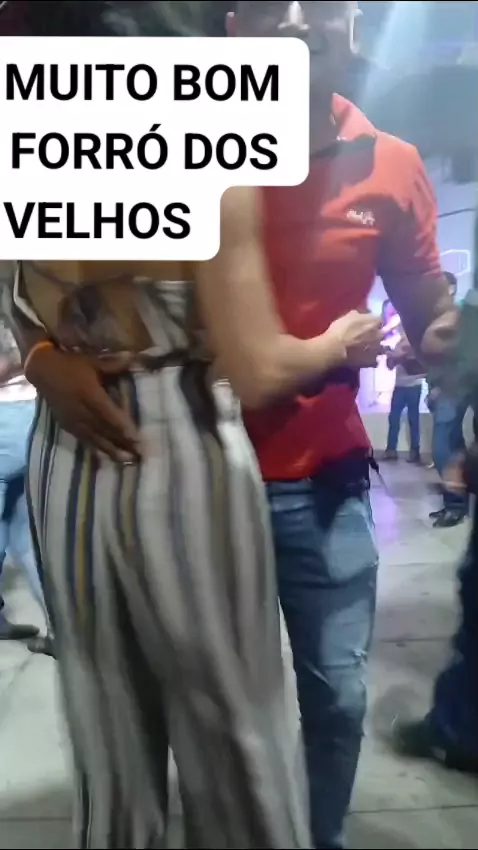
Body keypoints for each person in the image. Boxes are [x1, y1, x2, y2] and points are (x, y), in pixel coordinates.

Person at [4, 3, 391, 848]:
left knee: (106, 734)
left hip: (67, 463)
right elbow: (255, 368)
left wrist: (39, 354)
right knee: (236, 739)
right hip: (180, 447)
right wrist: (338, 341)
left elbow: (16, 309)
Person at [228, 3, 457, 848]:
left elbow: (428, 311)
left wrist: (452, 337)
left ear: (353, 23)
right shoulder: (178, 146)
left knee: (337, 697)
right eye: (270, 6)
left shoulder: (390, 162)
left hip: (323, 483)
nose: (296, 23)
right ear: (233, 28)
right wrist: (42, 349)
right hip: (198, 482)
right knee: (221, 705)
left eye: (320, 4)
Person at [0, 307, 51, 655]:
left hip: (5, 418)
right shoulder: (23, 298)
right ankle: (62, 629)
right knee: (24, 532)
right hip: (33, 412)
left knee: (22, 529)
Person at [428, 272, 469, 528]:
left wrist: (441, 386)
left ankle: (455, 504)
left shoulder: (458, 316)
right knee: (453, 445)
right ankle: (456, 503)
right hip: (444, 387)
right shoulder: (443, 316)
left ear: (452, 288)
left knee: (442, 446)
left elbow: (453, 358)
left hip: (452, 389)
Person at [383, 329, 425, 464]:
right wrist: (391, 357)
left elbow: (417, 365)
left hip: (414, 386)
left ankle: (415, 452)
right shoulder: (398, 345)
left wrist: (400, 357)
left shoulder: (417, 345)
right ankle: (391, 450)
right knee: (393, 419)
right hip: (399, 386)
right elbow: (390, 366)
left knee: (413, 420)